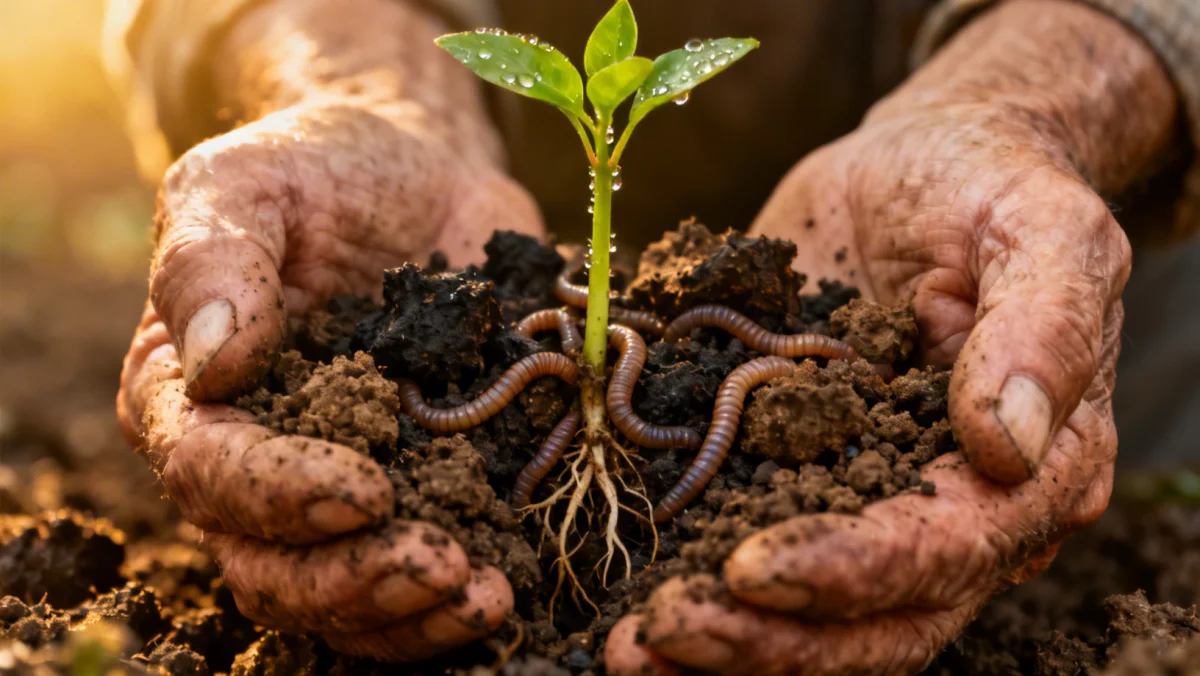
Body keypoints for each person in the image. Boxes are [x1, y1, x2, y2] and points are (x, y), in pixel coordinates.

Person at [104, 0, 1198, 672]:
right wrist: (360, 76)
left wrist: (1033, 102)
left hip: (967, 275)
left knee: (1062, 518)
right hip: (491, 232)